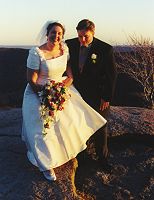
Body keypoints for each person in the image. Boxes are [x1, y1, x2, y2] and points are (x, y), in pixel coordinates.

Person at [22, 20, 107, 181]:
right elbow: (31, 80)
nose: (56, 36)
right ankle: (46, 165)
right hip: (38, 92)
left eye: (60, 33)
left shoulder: (64, 49)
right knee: (42, 129)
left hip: (60, 90)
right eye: (53, 32)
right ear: (47, 34)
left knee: (70, 122)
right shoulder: (36, 53)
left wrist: (60, 90)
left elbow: (70, 75)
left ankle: (60, 154)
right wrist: (45, 96)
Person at [66, 19, 117, 169]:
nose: (82, 40)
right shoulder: (70, 45)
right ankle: (82, 157)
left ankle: (103, 159)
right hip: (76, 94)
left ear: (93, 33)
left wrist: (106, 97)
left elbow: (111, 76)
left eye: (86, 36)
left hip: (97, 94)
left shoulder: (105, 49)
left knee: (100, 126)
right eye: (79, 36)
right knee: (77, 124)